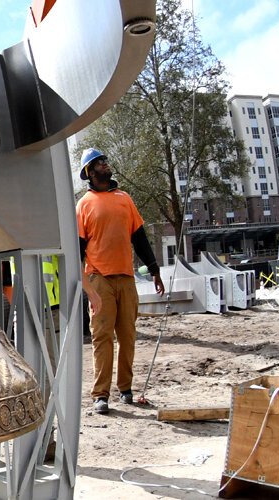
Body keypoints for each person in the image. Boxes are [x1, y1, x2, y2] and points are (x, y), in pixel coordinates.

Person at [76, 148, 164, 415]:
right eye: (100, 162)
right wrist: (89, 291)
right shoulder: (84, 204)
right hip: (99, 278)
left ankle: (125, 389)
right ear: (91, 171)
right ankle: (100, 395)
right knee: (102, 338)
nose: (106, 165)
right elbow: (77, 251)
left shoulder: (125, 199)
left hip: (127, 279)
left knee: (128, 336)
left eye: (105, 161)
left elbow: (139, 238)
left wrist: (155, 269)